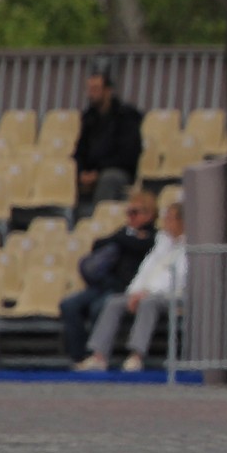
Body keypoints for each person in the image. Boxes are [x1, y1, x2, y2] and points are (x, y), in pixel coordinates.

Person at [74, 201, 187, 373]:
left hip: (173, 295)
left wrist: (146, 293)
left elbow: (177, 277)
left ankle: (136, 356)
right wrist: (135, 292)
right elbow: (145, 270)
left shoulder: (188, 247)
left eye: (170, 219)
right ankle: (99, 356)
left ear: (182, 222)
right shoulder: (162, 243)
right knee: (114, 302)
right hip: (146, 292)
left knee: (149, 303)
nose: (165, 222)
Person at [60, 190, 158, 366]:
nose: (130, 217)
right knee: (69, 305)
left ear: (149, 214)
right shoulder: (124, 233)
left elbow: (138, 246)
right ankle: (78, 357)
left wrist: (122, 238)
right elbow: (98, 243)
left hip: (125, 287)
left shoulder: (154, 237)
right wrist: (123, 238)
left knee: (100, 307)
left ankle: (99, 354)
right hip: (104, 284)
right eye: (128, 212)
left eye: (134, 213)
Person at [72, 70, 144, 218]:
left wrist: (97, 172)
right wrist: (82, 172)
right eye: (90, 89)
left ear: (108, 90)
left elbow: (127, 154)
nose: (91, 93)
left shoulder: (125, 116)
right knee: (67, 174)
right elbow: (80, 151)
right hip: (92, 172)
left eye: (96, 89)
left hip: (118, 171)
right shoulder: (89, 118)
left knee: (108, 178)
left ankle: (98, 220)